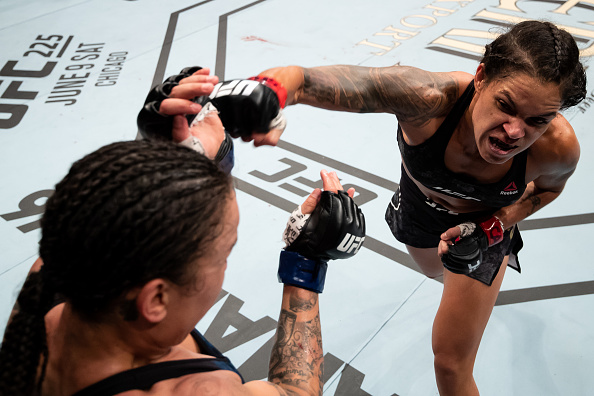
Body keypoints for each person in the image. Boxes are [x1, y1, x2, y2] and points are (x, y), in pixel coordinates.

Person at [243, 20, 587, 395]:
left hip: (482, 228)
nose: (515, 132)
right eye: (506, 106)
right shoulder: (427, 99)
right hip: (417, 210)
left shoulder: (557, 148)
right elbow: (304, 81)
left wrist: (494, 226)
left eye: (537, 120)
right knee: (432, 273)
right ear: (482, 77)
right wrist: (267, 94)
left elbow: (547, 190)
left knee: (451, 364)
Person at [0, 67, 366, 395]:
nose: (225, 264)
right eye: (224, 253)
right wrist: (305, 261)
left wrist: (171, 158)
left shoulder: (59, 278)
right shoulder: (197, 391)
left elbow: (123, 216)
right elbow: (294, 390)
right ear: (155, 300)